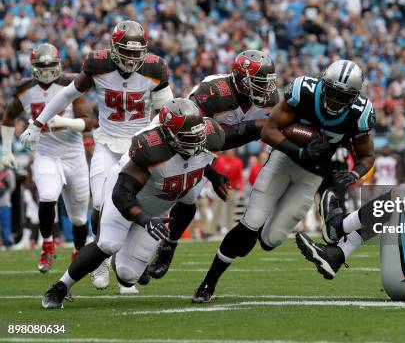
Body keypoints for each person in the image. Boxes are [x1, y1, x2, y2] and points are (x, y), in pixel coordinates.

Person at [192, 59, 376, 303]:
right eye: (331, 91)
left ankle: (253, 231)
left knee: (271, 240)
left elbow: (366, 156)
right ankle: (209, 282)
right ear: (323, 83)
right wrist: (299, 150)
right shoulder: (304, 92)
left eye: (342, 96)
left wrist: (354, 174)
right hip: (283, 160)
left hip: (312, 174)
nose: (334, 100)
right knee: (251, 223)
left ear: (354, 96)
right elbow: (269, 130)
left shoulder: (359, 113)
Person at [19, 21, 173, 292]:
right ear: (114, 49)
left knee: (135, 205)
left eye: (138, 52)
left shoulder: (155, 68)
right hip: (106, 142)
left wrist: (160, 144)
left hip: (138, 148)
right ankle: (102, 257)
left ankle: (124, 266)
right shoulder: (98, 64)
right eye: (127, 51)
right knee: (101, 204)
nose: (133, 58)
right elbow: (67, 94)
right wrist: (37, 123)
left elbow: (165, 112)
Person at [41, 99, 235, 309]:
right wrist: (143, 219)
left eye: (199, 134)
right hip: (128, 198)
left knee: (127, 276)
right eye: (189, 136)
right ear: (170, 135)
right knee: (108, 244)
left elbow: (192, 161)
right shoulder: (152, 149)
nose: (197, 141)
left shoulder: (210, 136)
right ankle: (60, 287)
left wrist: (214, 176)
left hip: (157, 206)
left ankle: (123, 257)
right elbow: (122, 193)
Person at [145, 50, 277, 280]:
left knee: (188, 199)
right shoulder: (214, 92)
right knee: (160, 195)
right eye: (259, 83)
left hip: (204, 151)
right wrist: (212, 172)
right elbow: (189, 133)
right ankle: (134, 249)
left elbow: (273, 131)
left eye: (268, 83)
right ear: (241, 80)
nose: (266, 89)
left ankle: (169, 245)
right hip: (177, 142)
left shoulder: (269, 100)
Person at [1, 43, 94, 270]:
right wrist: (7, 150)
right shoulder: (25, 89)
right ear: (33, 67)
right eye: (41, 66)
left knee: (79, 218)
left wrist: (64, 122)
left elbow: (90, 122)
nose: (46, 69)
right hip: (46, 153)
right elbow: (8, 117)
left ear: (58, 64)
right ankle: (47, 246)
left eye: (50, 65)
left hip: (73, 154)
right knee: (47, 195)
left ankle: (78, 252)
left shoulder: (71, 84)